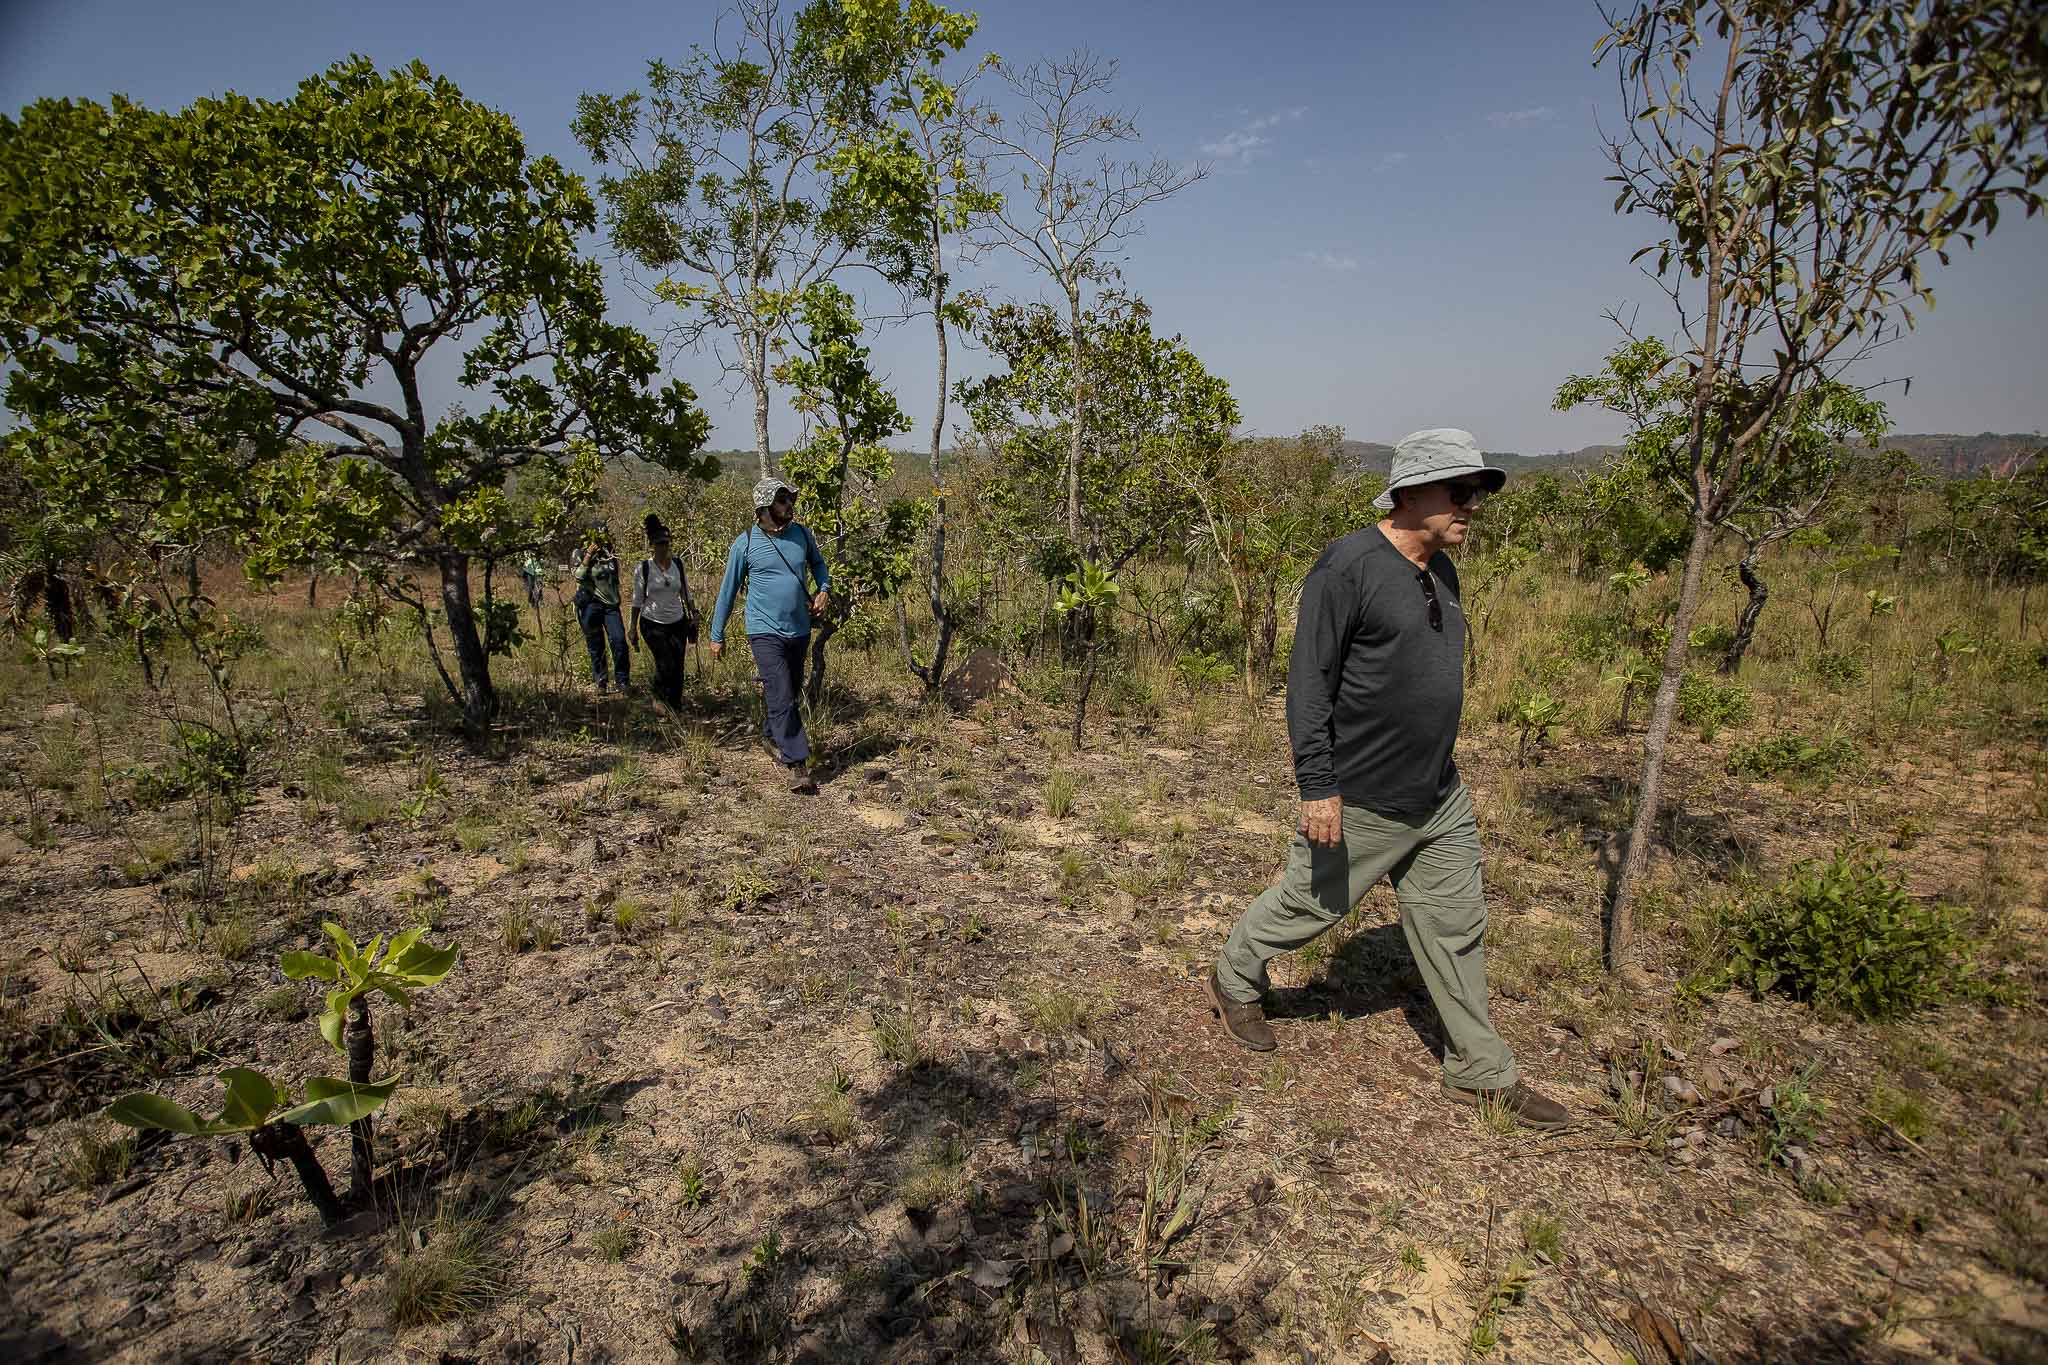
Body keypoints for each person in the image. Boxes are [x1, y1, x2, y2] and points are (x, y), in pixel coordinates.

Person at [1203, 428, 1570, 1130]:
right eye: (1459, 491)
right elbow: (1309, 685)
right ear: (1411, 493)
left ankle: (1480, 1070)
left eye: (1477, 492)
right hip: (1363, 794)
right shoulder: (1347, 568)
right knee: (1309, 906)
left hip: (1438, 794)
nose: (1471, 505)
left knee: (1455, 926)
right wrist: (1318, 786)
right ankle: (1234, 975)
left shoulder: (1442, 570)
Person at [708, 478, 831, 793]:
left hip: (799, 628)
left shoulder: (802, 535)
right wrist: (716, 634)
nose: (789, 505)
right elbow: (727, 591)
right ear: (764, 507)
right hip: (763, 630)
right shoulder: (746, 543)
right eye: (782, 500)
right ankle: (798, 764)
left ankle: (771, 733)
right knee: (780, 691)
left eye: (790, 499)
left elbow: (819, 565)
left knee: (789, 690)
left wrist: (824, 589)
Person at [629, 514, 697, 711]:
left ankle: (675, 704)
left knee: (678, 665)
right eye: (659, 543)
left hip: (677, 622)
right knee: (665, 663)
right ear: (652, 544)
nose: (664, 547)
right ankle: (658, 698)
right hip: (652, 623)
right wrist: (632, 627)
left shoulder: (678, 565)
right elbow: (637, 601)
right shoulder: (643, 568)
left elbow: (686, 592)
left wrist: (694, 612)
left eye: (666, 543)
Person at [571, 525, 629, 694]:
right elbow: (578, 576)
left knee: (619, 641)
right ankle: (601, 681)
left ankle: (622, 681)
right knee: (596, 645)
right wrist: (588, 556)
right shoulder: (579, 552)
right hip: (591, 604)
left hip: (611, 606)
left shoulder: (609, 553)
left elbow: (615, 578)